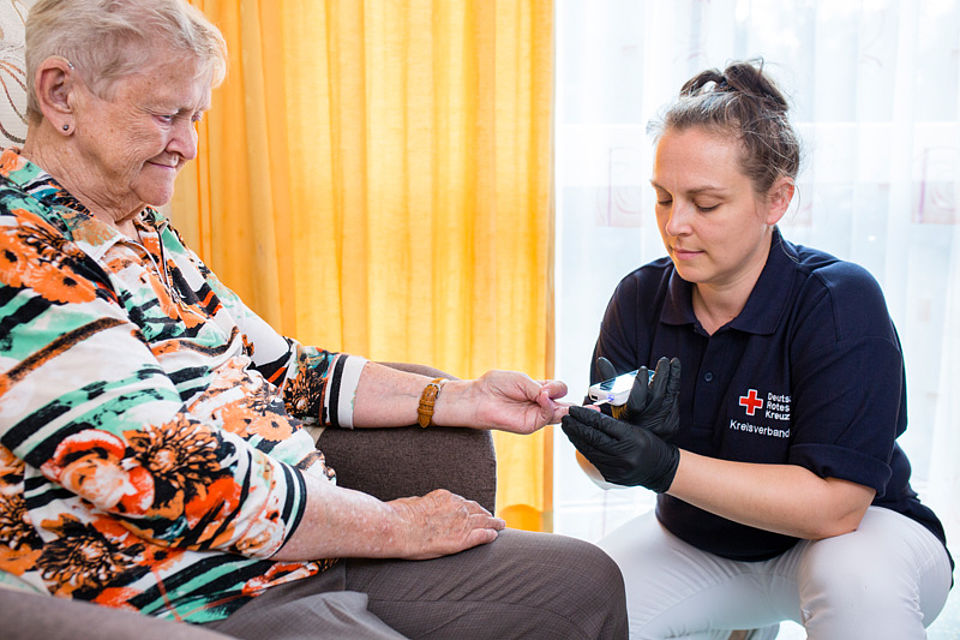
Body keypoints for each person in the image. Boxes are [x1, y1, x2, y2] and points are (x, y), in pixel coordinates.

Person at [0, 1, 628, 639]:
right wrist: (395, 526)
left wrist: (463, 398)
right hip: (195, 595)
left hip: (299, 552)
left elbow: (287, 369)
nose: (189, 146)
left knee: (584, 581)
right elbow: (172, 472)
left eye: (195, 118)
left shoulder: (139, 227)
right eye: (166, 116)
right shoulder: (19, 250)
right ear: (61, 94)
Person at [561, 59, 954, 639]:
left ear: (776, 200)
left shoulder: (838, 301)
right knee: (573, 609)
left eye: (705, 203)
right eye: (664, 198)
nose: (676, 225)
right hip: (700, 544)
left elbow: (837, 508)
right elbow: (600, 467)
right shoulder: (639, 296)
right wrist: (616, 445)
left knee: (855, 580)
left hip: (858, 540)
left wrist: (664, 463)